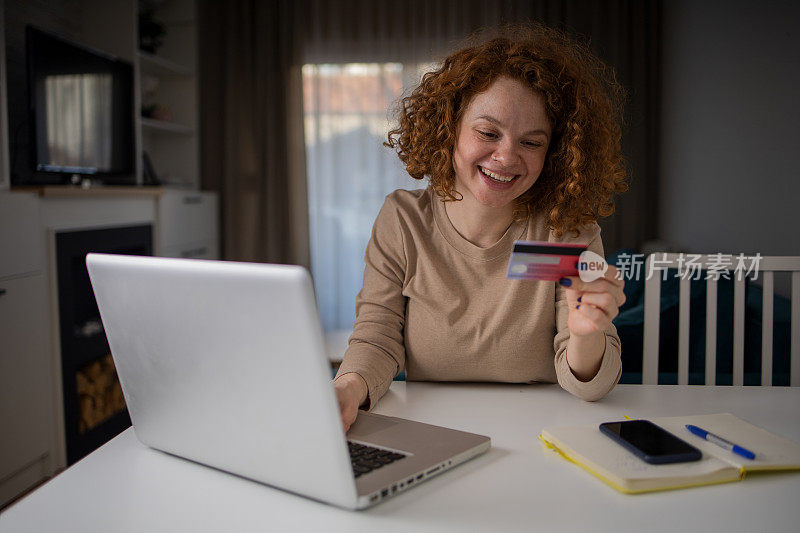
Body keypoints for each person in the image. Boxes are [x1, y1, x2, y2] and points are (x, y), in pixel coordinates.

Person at [333, 23, 628, 432]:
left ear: (555, 152)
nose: (506, 157)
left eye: (532, 142)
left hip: (542, 432)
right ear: (448, 128)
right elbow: (376, 338)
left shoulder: (567, 231)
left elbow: (592, 388)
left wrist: (584, 335)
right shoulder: (403, 221)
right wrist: (347, 390)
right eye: (488, 132)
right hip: (431, 428)